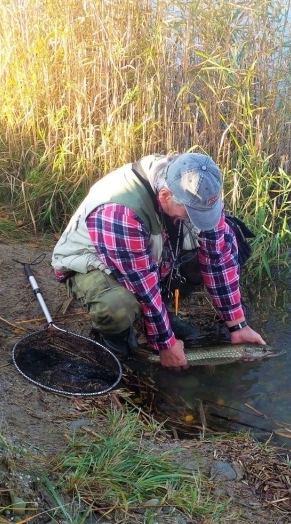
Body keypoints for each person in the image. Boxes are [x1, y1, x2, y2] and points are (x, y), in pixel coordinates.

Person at [51, 152, 266, 370]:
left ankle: (163, 316)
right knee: (116, 306)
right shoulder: (120, 212)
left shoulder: (199, 191)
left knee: (229, 239)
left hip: (146, 257)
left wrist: (238, 325)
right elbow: (143, 288)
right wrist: (165, 343)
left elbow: (218, 260)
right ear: (165, 196)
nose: (199, 219)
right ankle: (119, 348)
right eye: (192, 213)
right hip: (92, 261)